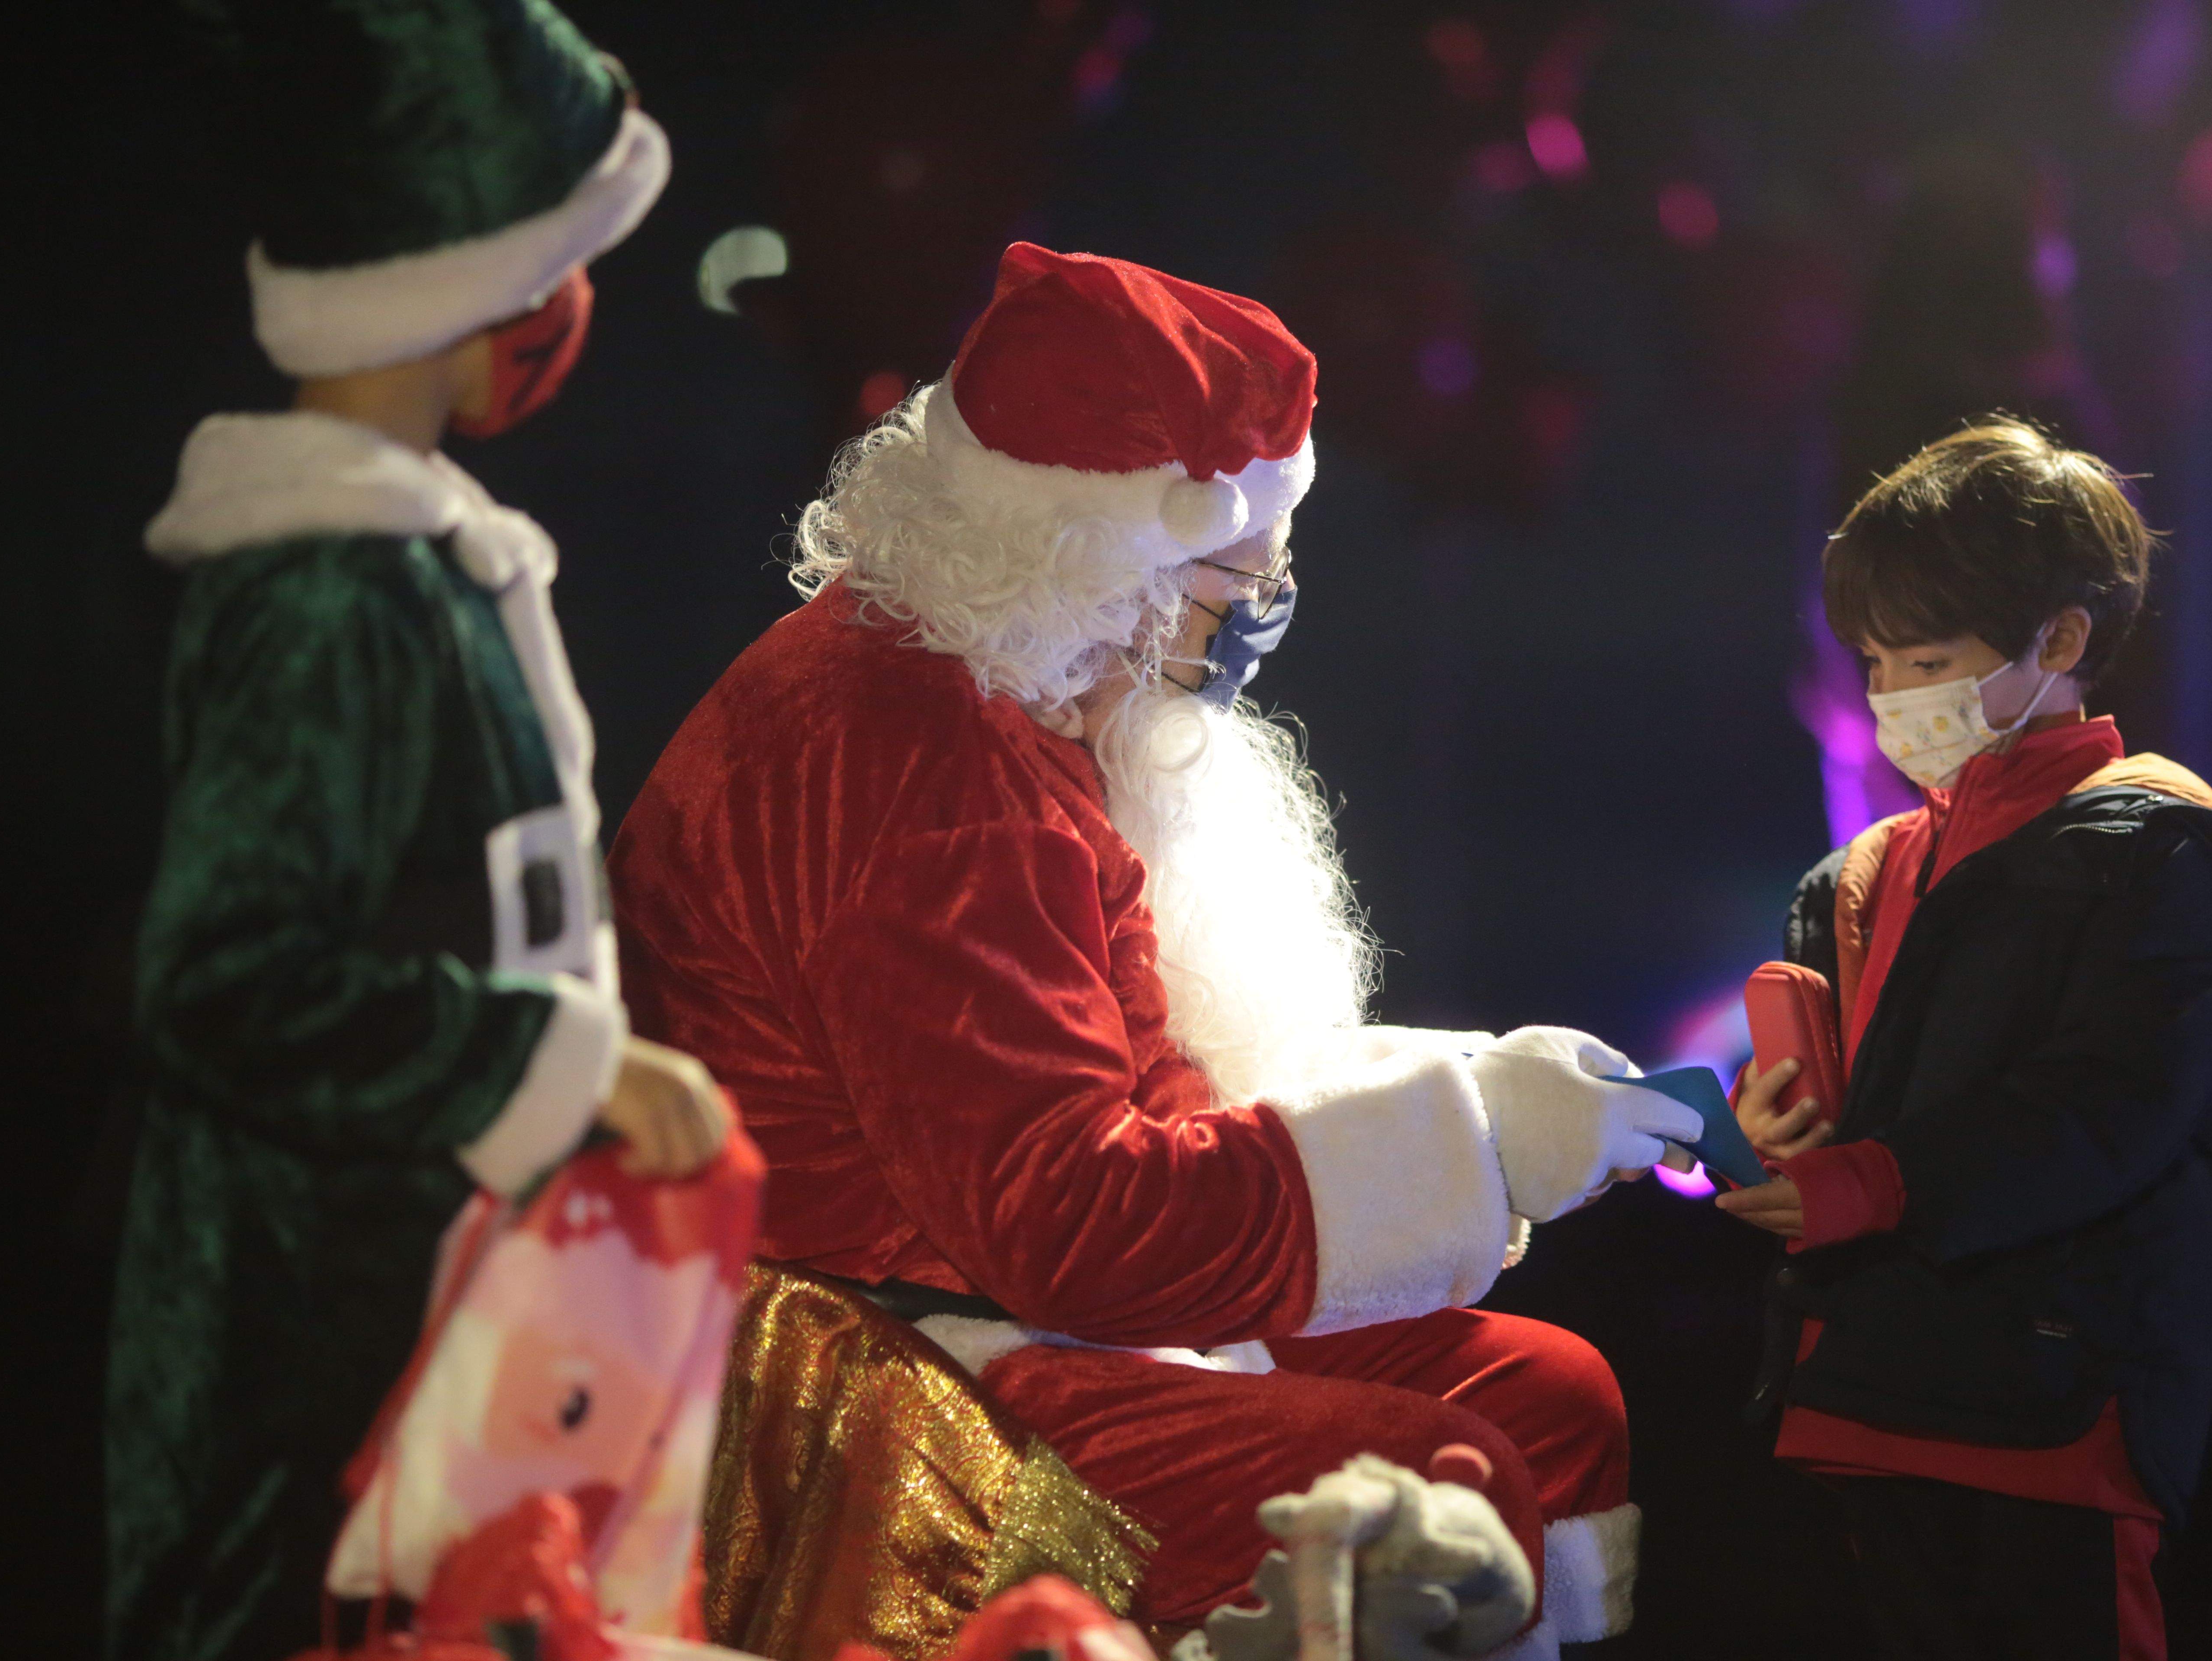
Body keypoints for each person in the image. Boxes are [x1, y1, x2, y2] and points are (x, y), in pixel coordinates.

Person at [609, 243, 1692, 1652]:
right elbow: (1069, 1226)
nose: (1258, 617)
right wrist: (1473, 1144)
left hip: (987, 1296)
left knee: (1545, 1397)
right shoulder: (921, 768)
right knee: (1426, 1491)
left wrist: (1473, 1093)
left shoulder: (1017, 696)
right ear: (1085, 558)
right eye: (1229, 574)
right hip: (873, 1378)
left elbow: (1139, 1086)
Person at [112, 6, 728, 1657]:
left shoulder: (420, 566)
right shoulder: (323, 595)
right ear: (474, 272)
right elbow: (226, 978)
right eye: (562, 257)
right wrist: (556, 1066)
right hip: (307, 1351)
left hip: (430, 1306)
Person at [1715, 420, 2212, 1660]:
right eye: (1873, 663)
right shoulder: (1865, 870)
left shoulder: (2163, 850)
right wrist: (1767, 1133)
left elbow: (2107, 1110)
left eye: (1928, 657)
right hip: (1868, 1387)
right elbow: (1842, 1104)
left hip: (2052, 1413)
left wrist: (1867, 1183)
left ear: (2062, 641)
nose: (1895, 699)